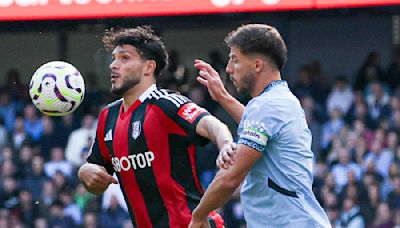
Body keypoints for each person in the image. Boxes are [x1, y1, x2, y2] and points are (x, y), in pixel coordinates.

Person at [77, 25, 233, 228]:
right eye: (114, 58)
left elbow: (211, 124)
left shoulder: (165, 103)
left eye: (124, 58)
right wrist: (85, 171)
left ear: (148, 67)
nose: (113, 65)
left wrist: (227, 144)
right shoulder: (108, 116)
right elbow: (97, 178)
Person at [189, 24, 331, 227]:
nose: (229, 69)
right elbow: (255, 123)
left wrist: (199, 215)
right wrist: (222, 96)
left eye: (235, 60)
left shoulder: (267, 106)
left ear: (257, 65)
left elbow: (230, 177)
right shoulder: (280, 99)